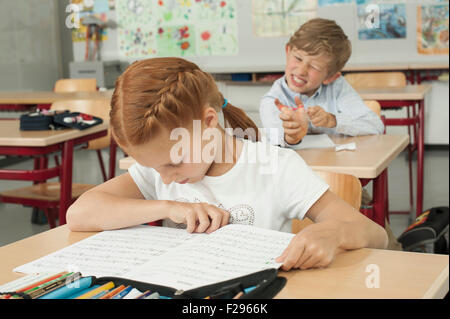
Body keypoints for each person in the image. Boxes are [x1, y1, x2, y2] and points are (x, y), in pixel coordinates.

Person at [67, 57, 387, 270]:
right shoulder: (161, 172)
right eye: (155, 167)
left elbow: (374, 234)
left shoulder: (273, 166)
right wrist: (167, 208)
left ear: (208, 124)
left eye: (174, 162)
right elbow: (79, 213)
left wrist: (333, 234)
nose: (166, 176)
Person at [259, 18, 385, 147]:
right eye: (298, 58)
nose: (301, 71)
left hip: (338, 164)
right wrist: (292, 135)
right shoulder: (272, 101)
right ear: (288, 51)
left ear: (330, 77)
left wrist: (332, 120)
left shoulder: (337, 88)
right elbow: (276, 139)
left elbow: (375, 125)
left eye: (314, 67)